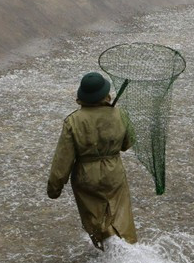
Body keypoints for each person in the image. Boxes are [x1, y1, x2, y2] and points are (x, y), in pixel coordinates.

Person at [47, 72, 138, 250]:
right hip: (114, 172)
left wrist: (54, 188)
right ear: (105, 94)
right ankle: (127, 251)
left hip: (86, 176)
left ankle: (106, 254)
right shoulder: (120, 114)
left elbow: (62, 160)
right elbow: (127, 143)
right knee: (120, 215)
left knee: (96, 221)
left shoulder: (73, 121)